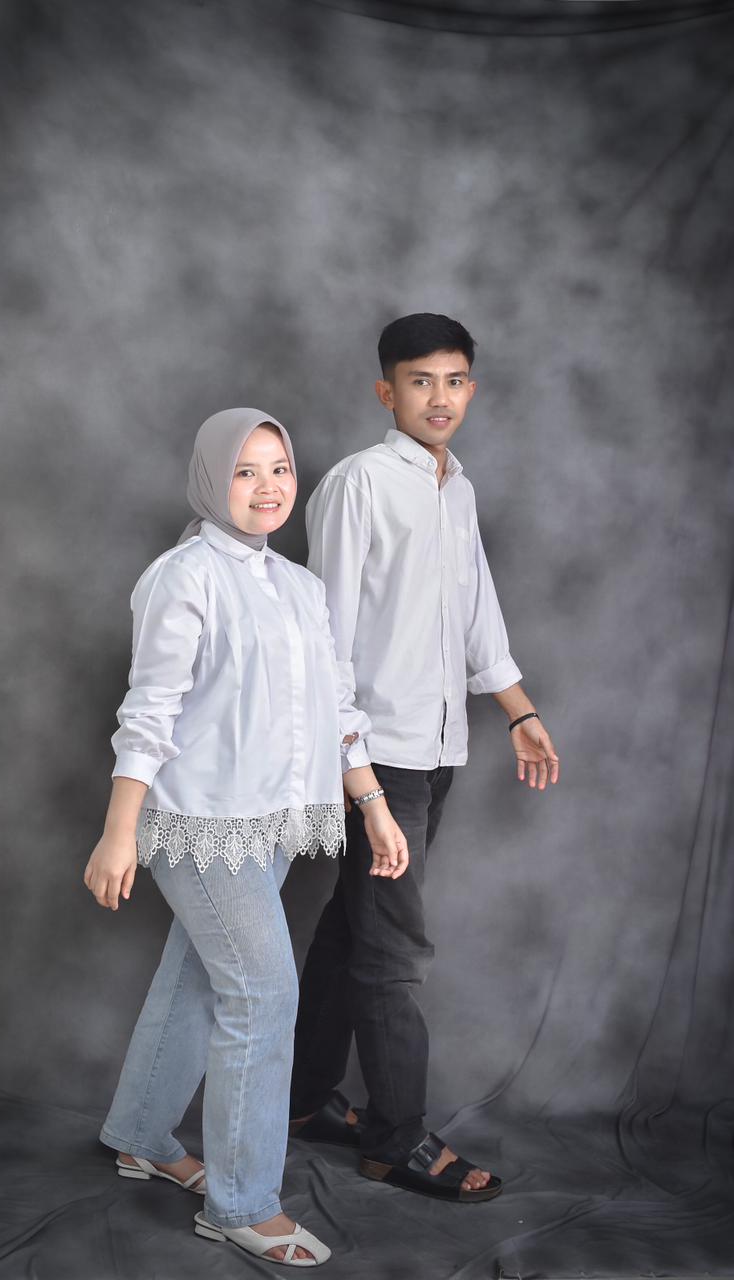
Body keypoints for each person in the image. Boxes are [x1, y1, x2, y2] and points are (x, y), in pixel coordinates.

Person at [83, 407, 408, 1267]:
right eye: (245, 471)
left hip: (271, 824)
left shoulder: (300, 587)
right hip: (197, 822)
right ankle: (240, 1204)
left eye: (279, 469)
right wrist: (119, 833)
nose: (268, 487)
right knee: (262, 996)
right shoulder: (181, 577)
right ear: (210, 479)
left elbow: (338, 709)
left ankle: (140, 1134)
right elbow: (149, 713)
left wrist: (374, 806)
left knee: (196, 978)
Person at [289, 314, 560, 1203]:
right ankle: (396, 1138)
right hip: (378, 757)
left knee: (353, 927)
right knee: (393, 950)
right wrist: (355, 771)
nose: (438, 398)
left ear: (469, 389)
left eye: (453, 381)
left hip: (440, 749)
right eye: (419, 381)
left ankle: (303, 1100)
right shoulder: (358, 484)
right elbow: (323, 640)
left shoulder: (457, 488)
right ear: (387, 391)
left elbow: (478, 610)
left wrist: (518, 710)